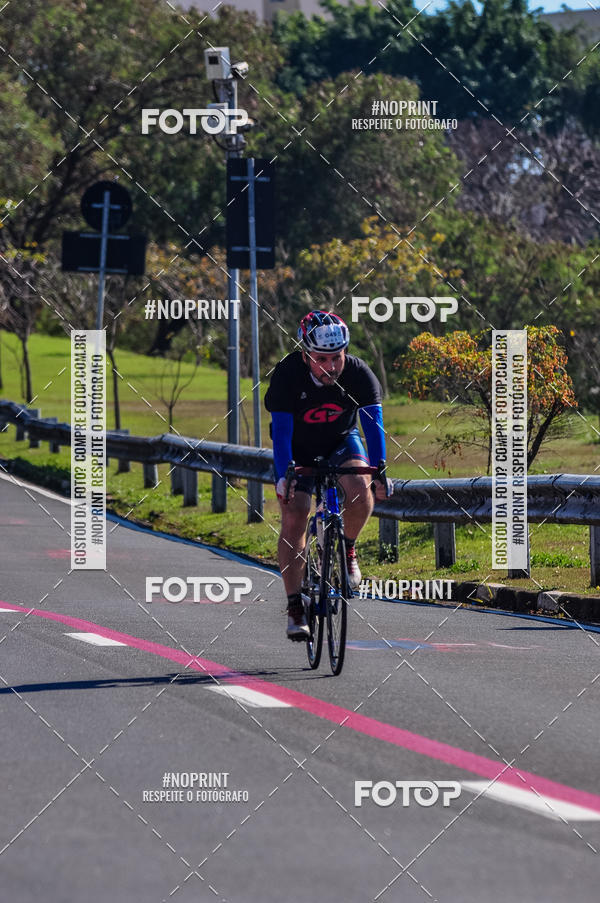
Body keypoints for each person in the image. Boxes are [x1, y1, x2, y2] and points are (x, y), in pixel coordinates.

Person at [264, 310, 391, 640]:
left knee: (361, 487)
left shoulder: (359, 374)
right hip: (297, 449)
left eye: (337, 357)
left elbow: (373, 426)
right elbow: (281, 432)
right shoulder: (288, 374)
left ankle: (347, 548)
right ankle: (295, 606)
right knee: (295, 513)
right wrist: (285, 475)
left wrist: (379, 469)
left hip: (341, 441)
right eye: (322, 359)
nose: (331, 367)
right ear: (306, 355)